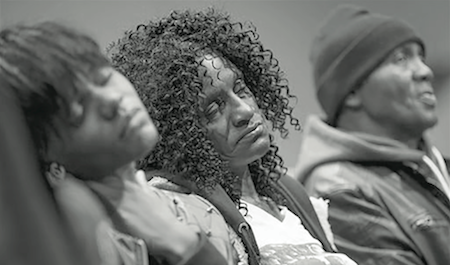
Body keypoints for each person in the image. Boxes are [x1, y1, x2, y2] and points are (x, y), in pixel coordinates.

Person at [110, 8, 356, 265]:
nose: (244, 111)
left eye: (240, 88)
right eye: (214, 108)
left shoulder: (287, 192)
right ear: (177, 131)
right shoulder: (183, 213)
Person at [0, 21, 231, 265]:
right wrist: (181, 243)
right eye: (79, 113)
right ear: (44, 156)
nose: (112, 100)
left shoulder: (183, 204)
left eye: (103, 78)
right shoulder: (74, 227)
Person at [293, 4, 450, 265]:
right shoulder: (339, 190)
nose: (425, 71)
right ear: (352, 92)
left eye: (420, 56)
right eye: (401, 59)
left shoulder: (434, 167)